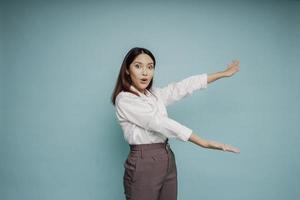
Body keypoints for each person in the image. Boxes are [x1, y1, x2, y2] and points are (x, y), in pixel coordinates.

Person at [111, 47, 240, 200]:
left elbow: (181, 88)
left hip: (166, 156)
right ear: (127, 69)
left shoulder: (153, 95)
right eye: (138, 66)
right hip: (144, 161)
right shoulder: (125, 99)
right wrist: (203, 142)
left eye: (150, 67)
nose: (145, 72)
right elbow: (158, 123)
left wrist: (222, 74)